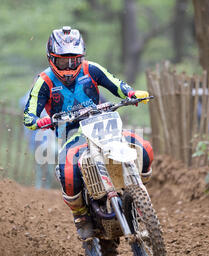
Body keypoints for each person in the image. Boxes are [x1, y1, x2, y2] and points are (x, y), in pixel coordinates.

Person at [23, 26, 153, 240]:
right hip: (72, 134)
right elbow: (28, 116)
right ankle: (81, 216)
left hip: (104, 125)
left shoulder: (91, 69)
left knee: (144, 148)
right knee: (68, 171)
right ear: (51, 58)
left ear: (81, 56)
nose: (69, 65)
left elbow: (115, 84)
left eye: (74, 59)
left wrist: (131, 93)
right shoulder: (43, 81)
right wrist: (40, 121)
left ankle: (139, 196)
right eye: (63, 61)